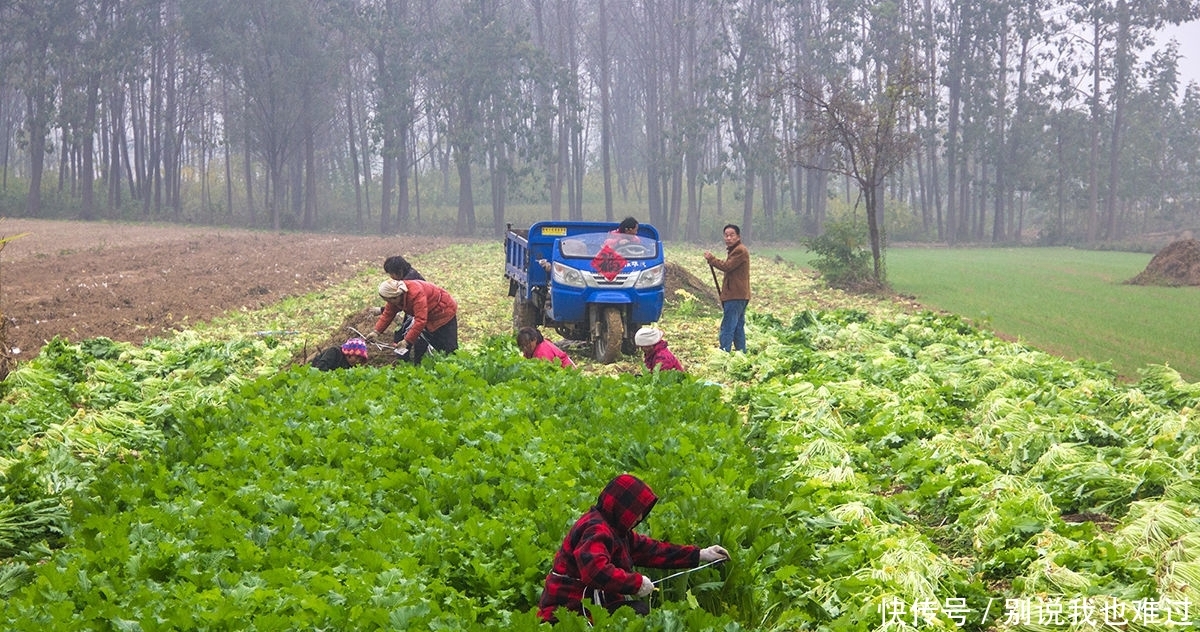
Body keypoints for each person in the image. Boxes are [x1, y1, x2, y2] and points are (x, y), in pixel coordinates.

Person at [537, 473, 730, 624]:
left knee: (636, 612)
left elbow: (653, 551)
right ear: (621, 507)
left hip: (591, 605)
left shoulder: (616, 530)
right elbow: (595, 571)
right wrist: (635, 583)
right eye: (636, 513)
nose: (638, 519)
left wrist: (701, 554)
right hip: (567, 612)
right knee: (636, 613)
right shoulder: (596, 529)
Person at [366, 278, 458, 363]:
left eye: (389, 300)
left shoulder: (416, 293)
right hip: (428, 315)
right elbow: (388, 314)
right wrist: (376, 332)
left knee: (449, 347)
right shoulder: (394, 297)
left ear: (395, 296)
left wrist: (406, 341)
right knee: (424, 342)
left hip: (444, 311)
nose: (389, 303)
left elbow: (420, 320)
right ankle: (418, 364)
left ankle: (455, 366)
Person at [704, 224, 750, 352]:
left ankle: (724, 352)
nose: (728, 238)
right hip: (739, 295)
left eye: (732, 235)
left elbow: (727, 266)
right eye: (726, 235)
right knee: (737, 327)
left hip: (735, 295)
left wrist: (712, 259)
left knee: (728, 326)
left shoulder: (739, 250)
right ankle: (742, 352)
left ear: (738, 236)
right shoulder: (735, 250)